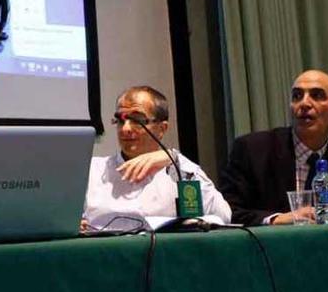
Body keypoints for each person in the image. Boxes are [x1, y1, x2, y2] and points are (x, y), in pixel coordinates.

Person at [218, 69, 328, 226]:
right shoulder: (253, 150)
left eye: (317, 96)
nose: (305, 103)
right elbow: (227, 212)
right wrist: (276, 219)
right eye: (297, 96)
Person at [81, 86, 231, 231]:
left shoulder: (178, 171)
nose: (125, 129)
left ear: (162, 129)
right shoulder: (92, 170)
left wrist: (174, 157)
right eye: (120, 120)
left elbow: (223, 215)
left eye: (137, 120)